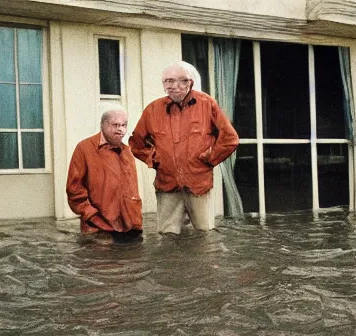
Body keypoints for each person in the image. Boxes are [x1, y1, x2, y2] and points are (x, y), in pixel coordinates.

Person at [129, 61, 239, 234]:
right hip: (167, 185)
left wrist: (210, 158)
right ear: (163, 84)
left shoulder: (207, 104)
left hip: (198, 185)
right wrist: (154, 158)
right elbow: (136, 143)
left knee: (204, 234)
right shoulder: (153, 109)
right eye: (169, 81)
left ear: (191, 83)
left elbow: (230, 138)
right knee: (167, 236)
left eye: (182, 81)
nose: (175, 86)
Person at [67, 109, 143, 244]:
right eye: (115, 125)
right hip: (99, 230)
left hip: (130, 228)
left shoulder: (127, 152)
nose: (121, 130)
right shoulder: (84, 149)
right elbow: (74, 190)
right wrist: (93, 217)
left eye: (124, 125)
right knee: (101, 264)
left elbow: (131, 190)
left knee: (133, 264)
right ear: (103, 125)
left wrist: (136, 220)